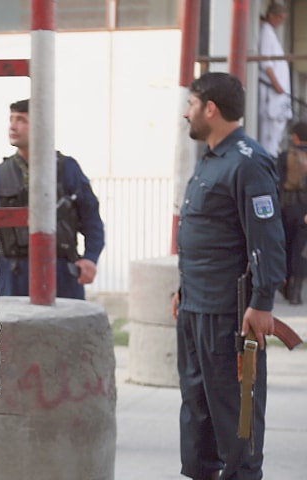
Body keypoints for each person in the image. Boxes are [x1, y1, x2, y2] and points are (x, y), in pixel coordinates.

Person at [173, 72, 286, 480]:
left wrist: (263, 302)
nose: (185, 113)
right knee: (198, 410)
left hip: (228, 316)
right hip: (194, 307)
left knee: (237, 416)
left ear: (210, 108)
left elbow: (267, 238)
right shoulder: (211, 158)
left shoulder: (247, 161)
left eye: (191, 104)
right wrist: (182, 288)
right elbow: (211, 235)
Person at [0, 98, 105, 299]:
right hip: (12, 275)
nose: (13, 126)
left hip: (60, 271)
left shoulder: (67, 169)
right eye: (11, 119)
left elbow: (92, 220)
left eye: (21, 120)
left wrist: (90, 259)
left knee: (65, 329)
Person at [275, 121, 307, 304]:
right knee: (301, 251)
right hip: (305, 211)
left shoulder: (285, 156)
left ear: (295, 137)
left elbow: (276, 184)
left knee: (285, 247)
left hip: (286, 210)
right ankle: (295, 293)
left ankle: (285, 286)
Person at [258, 2, 292, 157]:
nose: (281, 22)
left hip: (278, 92)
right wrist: (276, 84)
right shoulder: (266, 31)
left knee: (276, 133)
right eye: (280, 18)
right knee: (269, 135)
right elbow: (266, 63)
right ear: (272, 16)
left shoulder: (270, 32)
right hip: (272, 91)